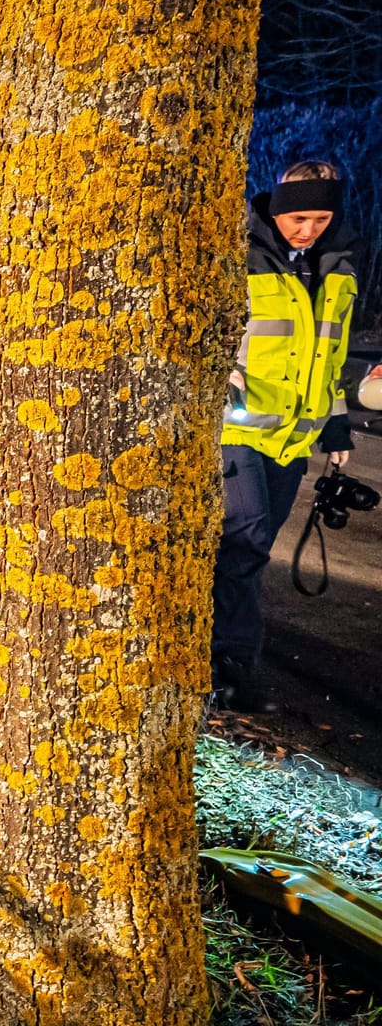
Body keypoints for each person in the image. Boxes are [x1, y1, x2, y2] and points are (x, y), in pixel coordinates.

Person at [211, 160, 361, 711]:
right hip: (236, 427)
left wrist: (337, 422)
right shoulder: (239, 255)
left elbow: (333, 356)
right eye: (299, 217)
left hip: (294, 438)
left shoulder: (339, 268)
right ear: (276, 210)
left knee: (253, 550)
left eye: (321, 218)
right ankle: (230, 668)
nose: (308, 229)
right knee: (244, 541)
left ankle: (218, 657)